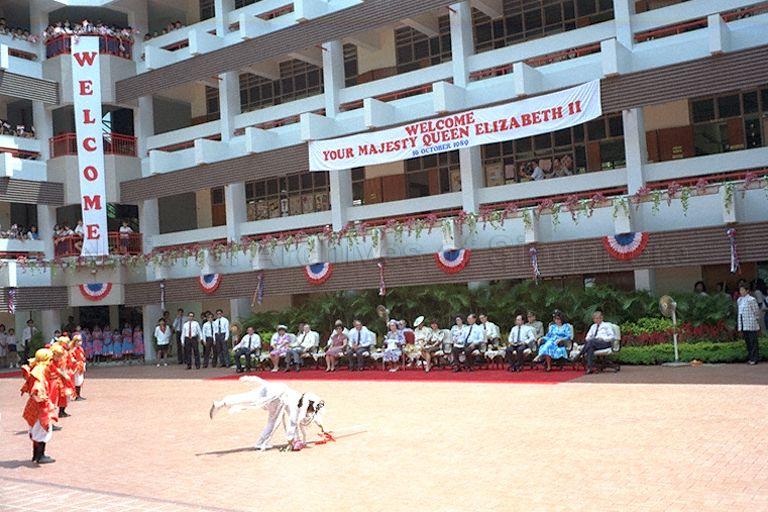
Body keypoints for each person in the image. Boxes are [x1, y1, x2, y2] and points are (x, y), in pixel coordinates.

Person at [209, 376, 326, 452]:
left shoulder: (300, 396)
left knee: (248, 397)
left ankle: (222, 403)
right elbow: (293, 422)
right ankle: (261, 442)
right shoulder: (297, 405)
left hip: (273, 387)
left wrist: (322, 428)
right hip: (277, 397)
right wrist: (291, 441)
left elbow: (309, 417)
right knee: (273, 420)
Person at [20, 348, 57, 464]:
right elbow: (37, 388)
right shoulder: (40, 370)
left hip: (34, 404)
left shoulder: (37, 368)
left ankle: (36, 455)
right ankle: (40, 456)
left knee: (36, 430)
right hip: (40, 405)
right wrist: (43, 399)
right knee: (42, 429)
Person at [572, 310, 616, 374]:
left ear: (601, 318)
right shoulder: (593, 326)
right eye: (595, 319)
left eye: (598, 318)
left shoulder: (607, 325)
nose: (596, 320)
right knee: (590, 346)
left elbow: (612, 337)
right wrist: (591, 339)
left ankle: (579, 355)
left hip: (605, 343)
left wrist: (602, 338)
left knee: (591, 342)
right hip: (594, 343)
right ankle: (590, 368)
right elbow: (587, 337)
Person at [737, 284, 761, 365]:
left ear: (747, 291)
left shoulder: (751, 299)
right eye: (740, 290)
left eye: (743, 290)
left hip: (751, 323)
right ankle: (750, 357)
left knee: (753, 341)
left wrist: (756, 320)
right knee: (748, 342)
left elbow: (756, 311)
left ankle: (755, 358)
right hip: (743, 323)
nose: (741, 292)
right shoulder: (739, 300)